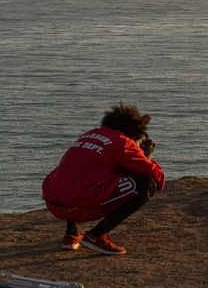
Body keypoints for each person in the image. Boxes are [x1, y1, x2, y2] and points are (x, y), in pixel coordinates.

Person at [42, 104, 165, 255]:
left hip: (54, 202)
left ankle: (71, 234)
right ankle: (96, 235)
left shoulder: (89, 134)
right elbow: (157, 178)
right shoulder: (123, 143)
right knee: (147, 185)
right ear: (134, 134)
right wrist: (145, 156)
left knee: (79, 175)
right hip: (78, 207)